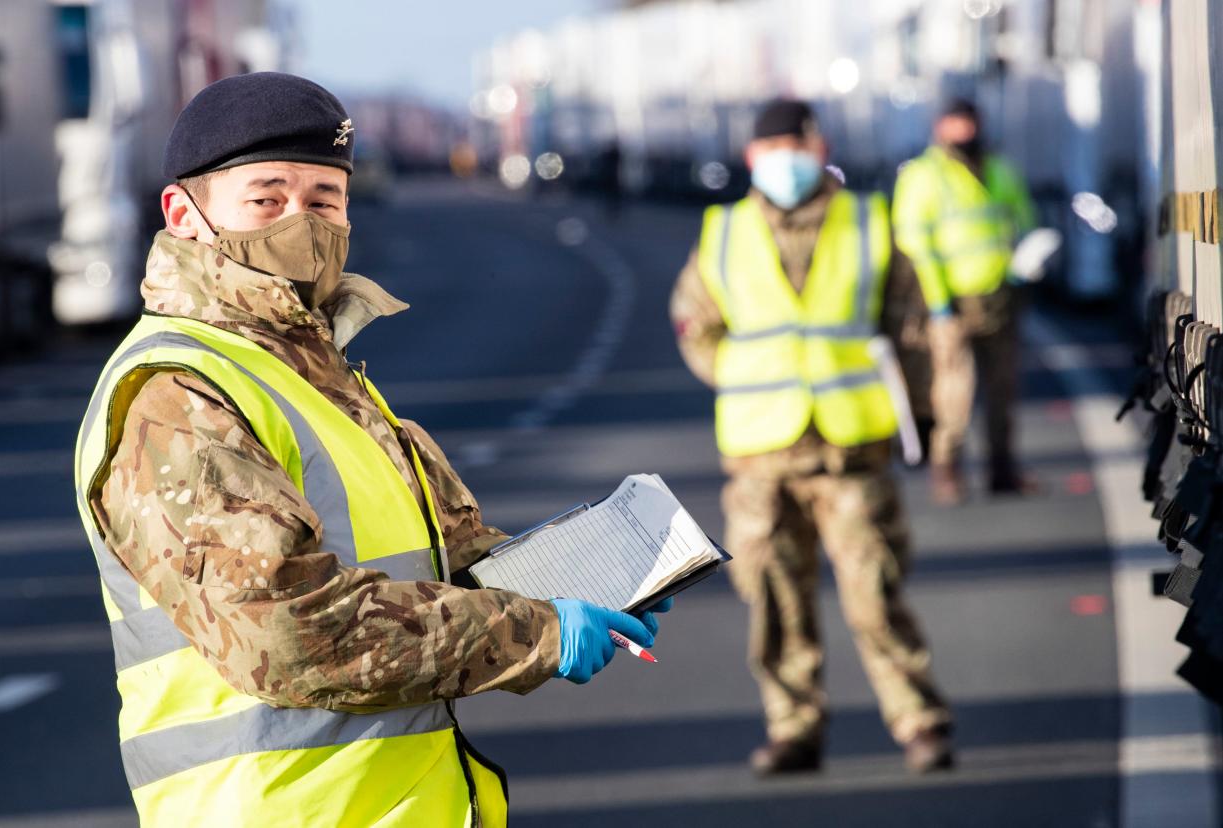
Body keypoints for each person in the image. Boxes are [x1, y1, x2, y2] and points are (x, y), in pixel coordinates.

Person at [72, 72, 668, 827]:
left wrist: (590, 578)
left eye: (323, 200)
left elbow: (426, 559)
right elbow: (288, 630)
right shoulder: (177, 392)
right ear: (183, 215)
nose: (300, 221)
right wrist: (538, 630)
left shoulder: (306, 364)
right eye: (266, 197)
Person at [669, 99, 952, 775]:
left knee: (875, 595)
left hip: (849, 450)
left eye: (789, 146)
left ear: (814, 144)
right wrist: (738, 372)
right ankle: (793, 727)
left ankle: (919, 721)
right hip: (759, 455)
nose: (780, 161)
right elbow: (692, 322)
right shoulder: (724, 232)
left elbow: (910, 328)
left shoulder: (867, 223)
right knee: (772, 602)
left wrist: (921, 409)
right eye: (767, 150)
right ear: (750, 159)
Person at [892, 98, 1037, 504]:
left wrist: (1024, 262)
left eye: (968, 123)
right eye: (954, 124)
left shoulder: (998, 168)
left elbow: (1022, 218)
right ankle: (947, 470)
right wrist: (938, 300)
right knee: (955, 393)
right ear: (939, 127)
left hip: (1000, 297)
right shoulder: (924, 175)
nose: (963, 132)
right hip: (949, 303)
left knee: (1003, 391)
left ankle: (1003, 470)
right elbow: (914, 241)